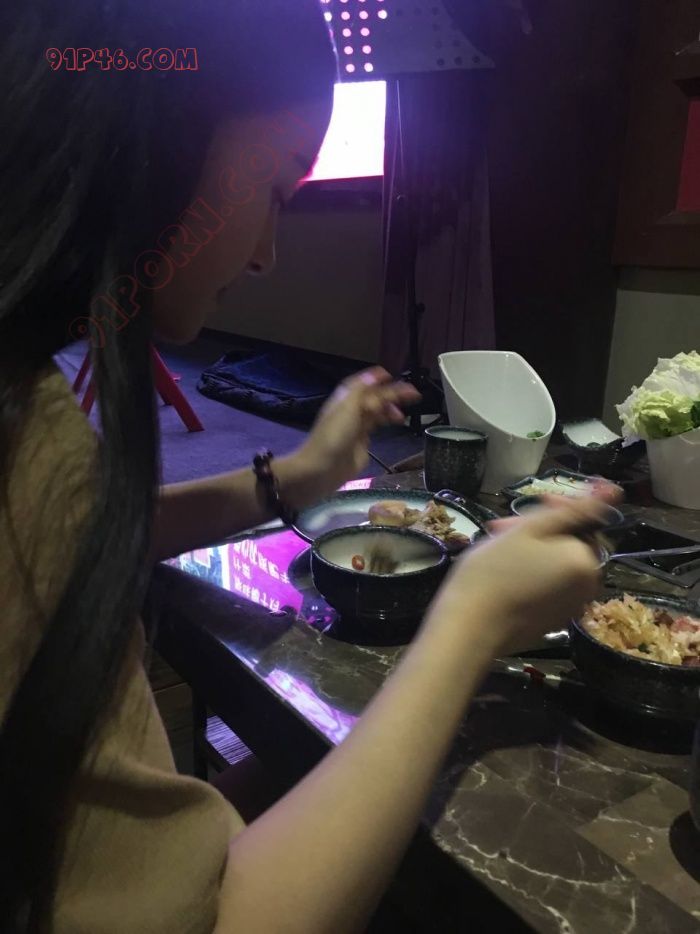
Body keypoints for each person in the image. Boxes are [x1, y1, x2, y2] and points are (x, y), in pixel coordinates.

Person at [0, 2, 609, 931]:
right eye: (281, 189)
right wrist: (471, 620)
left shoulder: (33, 414)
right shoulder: (23, 432)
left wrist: (298, 477)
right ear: (166, 131)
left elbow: (78, 533)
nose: (265, 253)